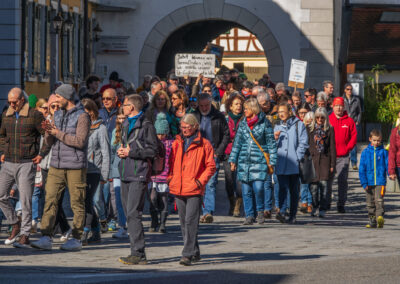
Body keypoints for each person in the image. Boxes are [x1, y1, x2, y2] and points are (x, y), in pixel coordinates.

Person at [31, 84, 91, 251]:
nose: (55, 100)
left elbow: (80, 142)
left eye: (58, 97)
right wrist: (48, 132)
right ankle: (46, 236)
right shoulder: (57, 114)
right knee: (50, 199)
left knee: (77, 202)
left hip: (75, 165)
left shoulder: (82, 117)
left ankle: (77, 238)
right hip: (56, 165)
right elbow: (50, 142)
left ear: (66, 98)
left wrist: (58, 133)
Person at [168, 114, 216, 266]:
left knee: (191, 221)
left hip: (194, 188)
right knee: (183, 222)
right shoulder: (177, 142)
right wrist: (170, 177)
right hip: (178, 186)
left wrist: (200, 182)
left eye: (187, 127)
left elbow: (211, 166)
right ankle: (194, 251)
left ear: (195, 126)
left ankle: (187, 254)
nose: (184, 130)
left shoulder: (204, 144)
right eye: (182, 127)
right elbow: (170, 162)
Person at [0, 88, 46, 247]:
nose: (11, 105)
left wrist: (42, 153)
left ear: (22, 100)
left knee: (25, 201)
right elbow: (2, 135)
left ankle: (25, 234)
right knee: (1, 195)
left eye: (14, 102)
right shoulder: (7, 114)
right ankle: (14, 224)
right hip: (8, 162)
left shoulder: (35, 115)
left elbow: (47, 133)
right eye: (9, 102)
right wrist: (3, 151)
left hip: (27, 162)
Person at [117, 94, 158, 265]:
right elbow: (127, 146)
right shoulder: (126, 123)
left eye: (124, 105)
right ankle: (137, 252)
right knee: (129, 214)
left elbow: (152, 150)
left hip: (138, 173)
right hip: (126, 172)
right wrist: (122, 152)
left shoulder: (146, 125)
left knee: (134, 213)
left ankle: (138, 252)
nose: (122, 108)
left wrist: (130, 153)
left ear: (131, 107)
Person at [229, 98, 277, 225]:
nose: (244, 110)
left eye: (246, 108)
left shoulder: (264, 123)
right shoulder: (243, 123)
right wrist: (233, 159)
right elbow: (237, 143)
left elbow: (271, 143)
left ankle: (260, 211)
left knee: (259, 188)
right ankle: (249, 215)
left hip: (259, 160)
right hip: (244, 160)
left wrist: (272, 160)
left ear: (253, 109)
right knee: (246, 190)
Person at [194, 93, 230, 223]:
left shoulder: (218, 116)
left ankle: (207, 211)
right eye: (201, 106)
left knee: (210, 183)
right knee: (197, 183)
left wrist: (218, 152)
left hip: (212, 154)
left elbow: (226, 134)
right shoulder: (193, 115)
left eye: (206, 105)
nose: (204, 108)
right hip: (196, 155)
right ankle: (197, 210)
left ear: (211, 104)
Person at [81, 99, 110, 245]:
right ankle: (96, 231)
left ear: (91, 111)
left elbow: (106, 152)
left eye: (85, 111)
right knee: (84, 200)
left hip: (95, 170)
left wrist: (105, 174)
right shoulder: (79, 127)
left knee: (88, 200)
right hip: (80, 169)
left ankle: (85, 231)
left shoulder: (101, 128)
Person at [274, 103, 309, 224]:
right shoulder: (277, 126)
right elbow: (271, 146)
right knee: (282, 188)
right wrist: (275, 139)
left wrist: (297, 157)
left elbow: (304, 142)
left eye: (283, 111)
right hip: (280, 162)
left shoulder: (298, 125)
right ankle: (282, 212)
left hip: (294, 164)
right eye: (279, 112)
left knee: (294, 190)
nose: (281, 114)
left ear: (290, 111)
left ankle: (293, 214)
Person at [329, 97, 357, 213]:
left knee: (342, 181)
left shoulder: (349, 121)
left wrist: (347, 148)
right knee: (327, 180)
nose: (339, 107)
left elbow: (354, 136)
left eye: (341, 105)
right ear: (333, 107)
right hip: (330, 156)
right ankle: (326, 203)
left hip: (343, 156)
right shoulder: (328, 119)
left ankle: (341, 204)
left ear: (344, 107)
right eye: (337, 105)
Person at [308, 108, 336, 218]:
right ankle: (315, 206)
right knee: (313, 188)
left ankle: (323, 208)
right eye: (318, 117)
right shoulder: (309, 129)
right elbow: (306, 145)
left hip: (325, 160)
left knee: (324, 187)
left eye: (322, 117)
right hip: (313, 161)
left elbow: (332, 148)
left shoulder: (329, 129)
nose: (320, 119)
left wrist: (332, 164)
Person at [149, 113, 173, 233]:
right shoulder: (152, 143)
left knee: (164, 199)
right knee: (152, 198)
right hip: (153, 175)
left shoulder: (171, 144)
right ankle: (154, 221)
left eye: (162, 133)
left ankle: (163, 223)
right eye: (158, 133)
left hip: (165, 176)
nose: (160, 136)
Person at [359, 129, 388, 228]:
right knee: (370, 202)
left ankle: (379, 217)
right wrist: (364, 182)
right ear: (370, 139)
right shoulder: (365, 152)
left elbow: (388, 165)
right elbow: (362, 168)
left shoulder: (384, 152)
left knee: (379, 200)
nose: (376, 142)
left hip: (380, 181)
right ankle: (372, 219)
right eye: (374, 140)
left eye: (378, 140)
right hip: (369, 182)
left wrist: (391, 173)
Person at [223, 93, 244, 216]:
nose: (239, 107)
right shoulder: (225, 119)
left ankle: (238, 205)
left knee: (240, 181)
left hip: (242, 153)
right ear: (230, 106)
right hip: (228, 153)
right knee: (229, 180)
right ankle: (231, 202)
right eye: (236, 104)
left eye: (240, 104)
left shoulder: (245, 119)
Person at [110, 108, 128, 239]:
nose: (121, 121)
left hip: (127, 169)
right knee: (118, 199)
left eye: (123, 118)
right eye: (119, 118)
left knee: (127, 199)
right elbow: (111, 151)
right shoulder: (114, 132)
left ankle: (129, 224)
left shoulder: (131, 131)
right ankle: (122, 225)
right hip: (116, 169)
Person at [343, 83, 362, 170]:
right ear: (345, 90)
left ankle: (354, 163)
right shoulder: (342, 99)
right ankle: (345, 161)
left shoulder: (356, 100)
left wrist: (358, 121)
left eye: (351, 89)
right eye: (348, 89)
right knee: (344, 142)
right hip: (344, 123)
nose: (349, 91)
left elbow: (359, 112)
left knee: (353, 143)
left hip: (354, 123)